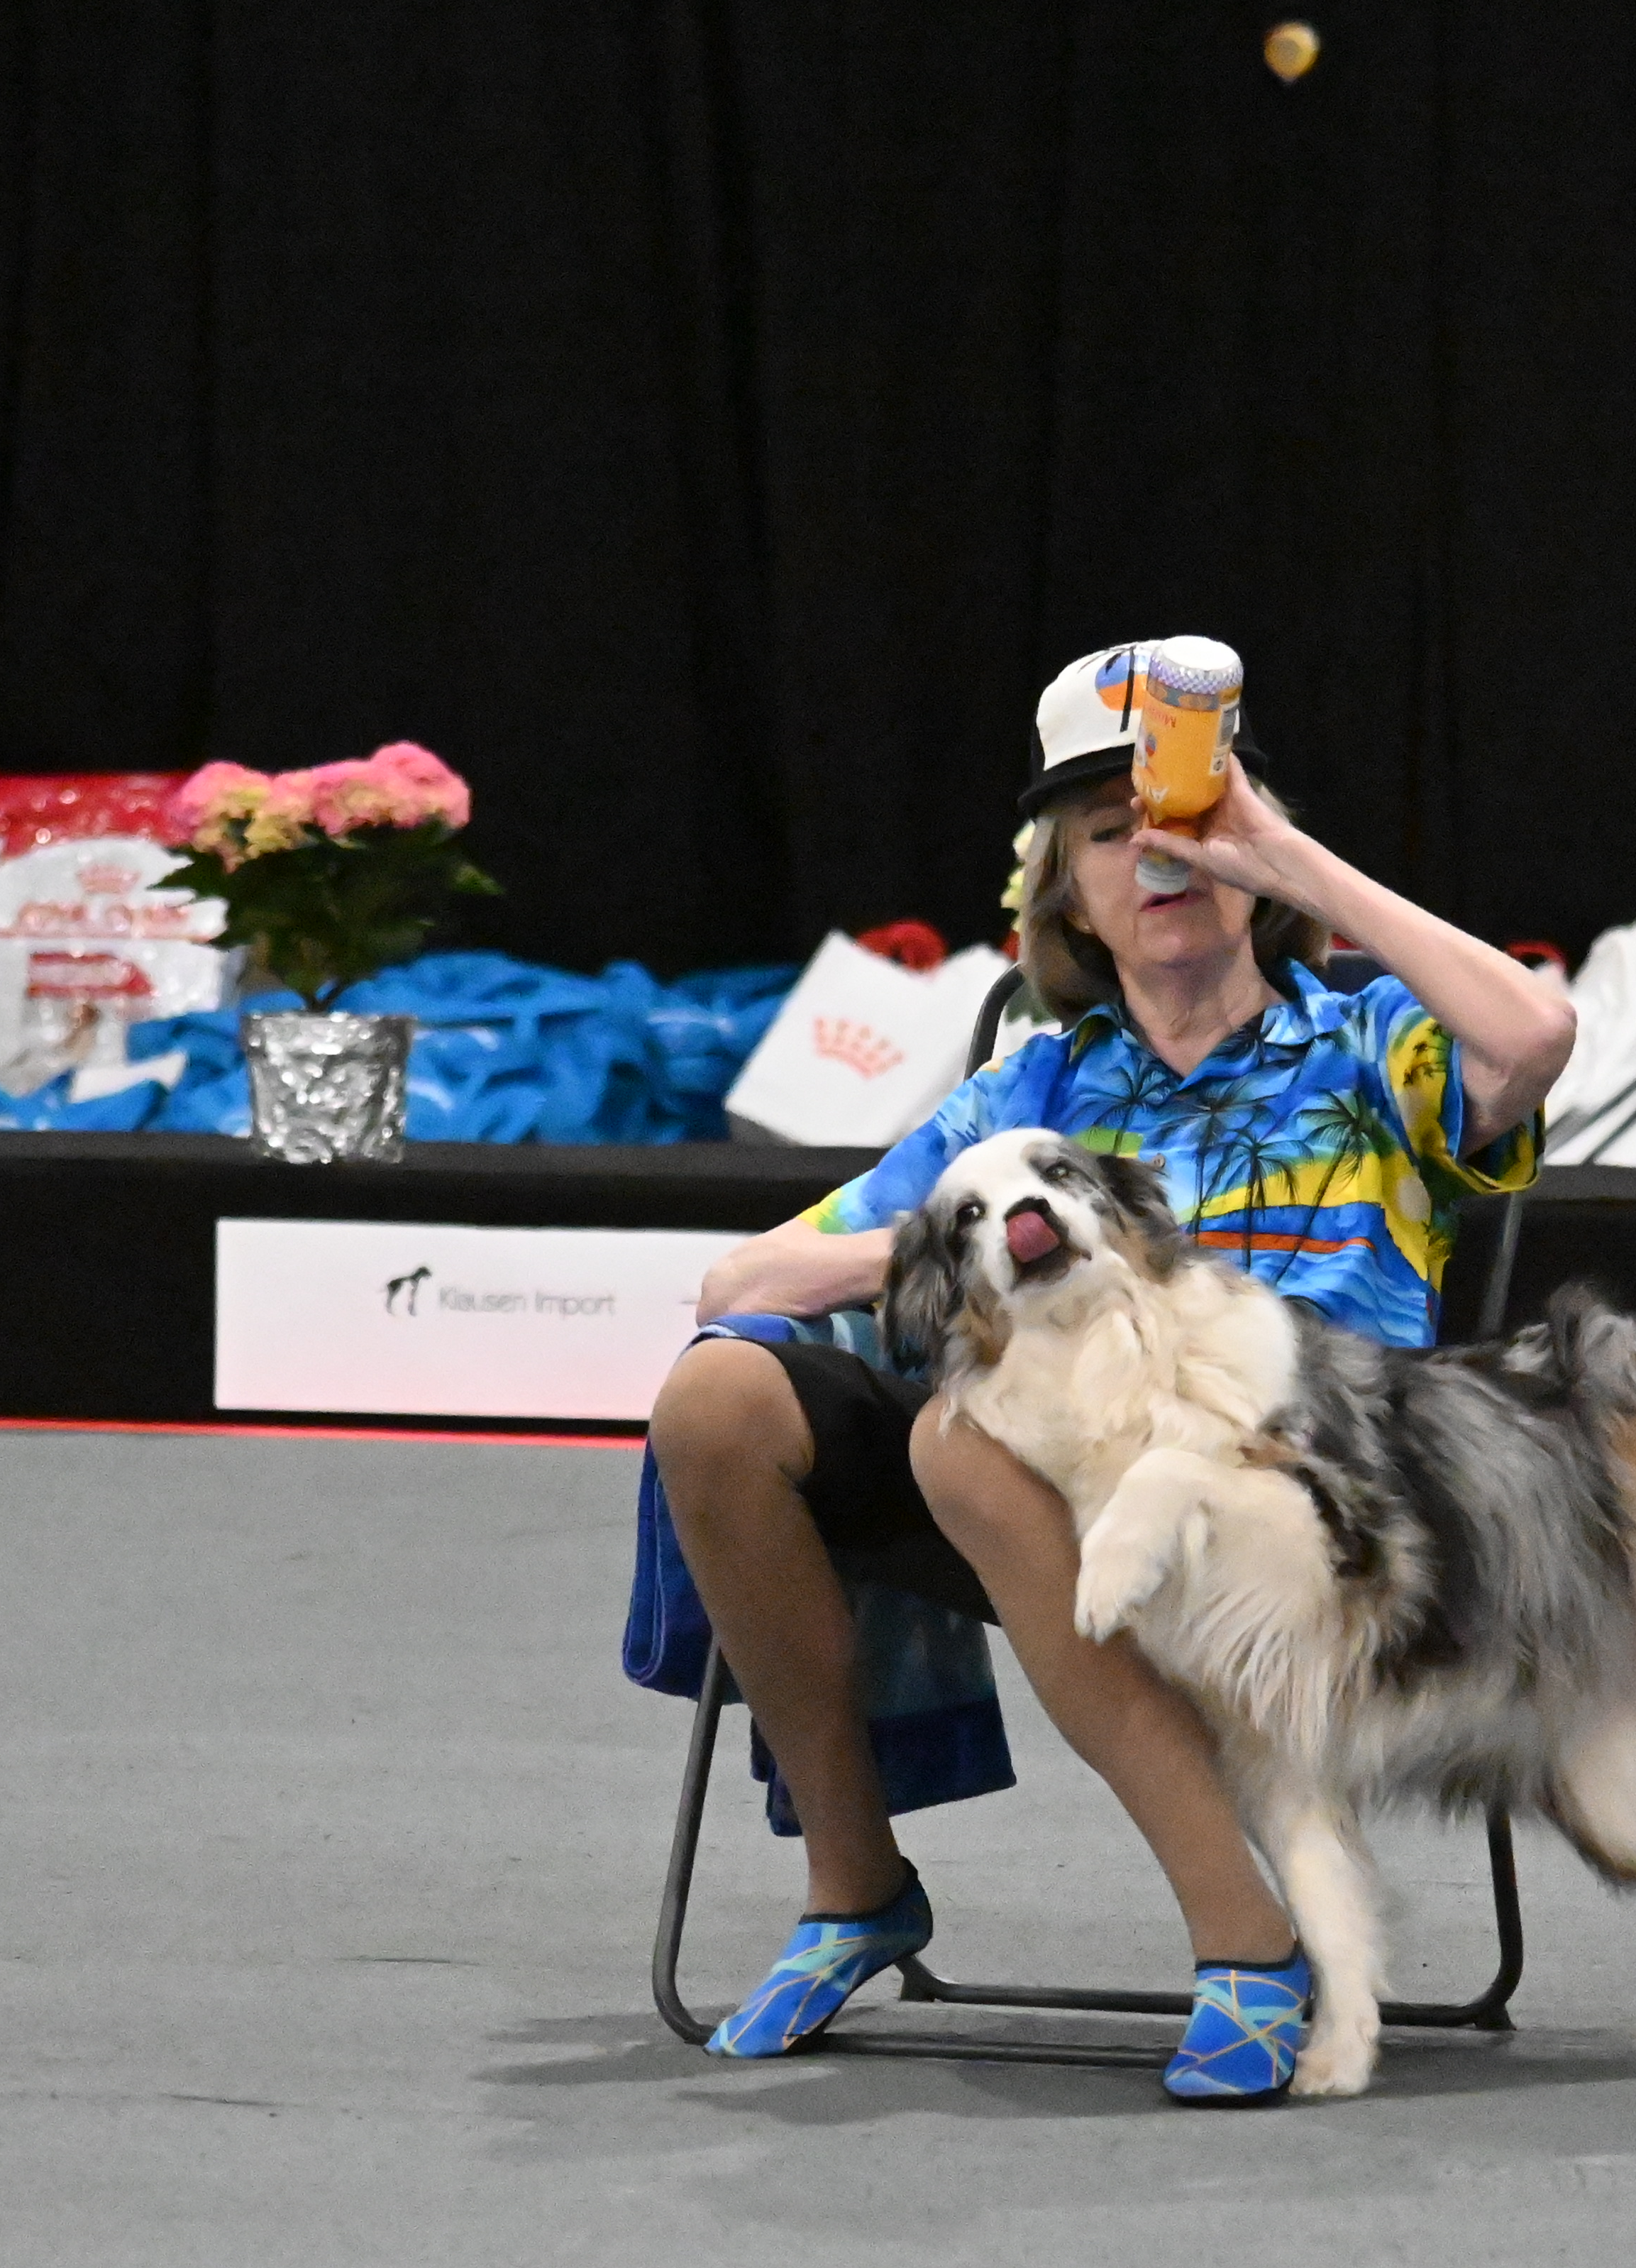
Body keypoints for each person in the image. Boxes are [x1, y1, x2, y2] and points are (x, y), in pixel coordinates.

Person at [646, 645, 1573, 2101]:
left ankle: (1246, 1939)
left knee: (958, 1443)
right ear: (1065, 896)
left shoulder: (1371, 1043)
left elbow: (1537, 1031)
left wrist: (1281, 853)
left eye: (1190, 826)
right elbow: (741, 1285)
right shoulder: (1035, 1090)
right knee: (720, 1398)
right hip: (1055, 1511)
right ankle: (853, 1883)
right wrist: (963, 1233)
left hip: (1304, 1509)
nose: (1157, 859)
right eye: (1105, 834)